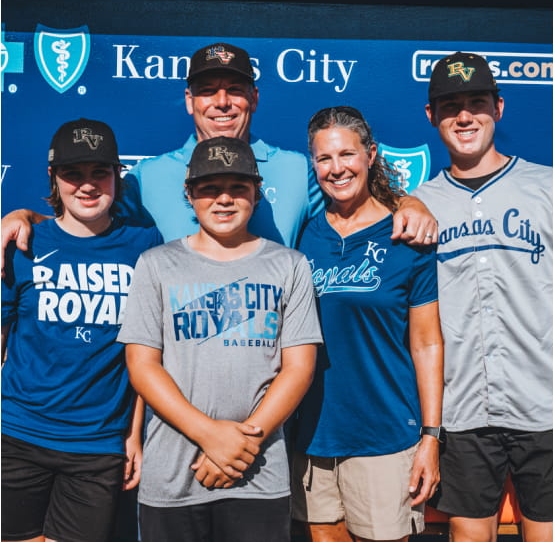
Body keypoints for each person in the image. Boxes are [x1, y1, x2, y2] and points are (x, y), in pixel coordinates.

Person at [1, 42, 438, 261]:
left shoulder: (291, 168)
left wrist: (410, 202)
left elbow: (357, 198)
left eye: (236, 90)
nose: (222, 102)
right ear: (190, 101)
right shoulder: (149, 176)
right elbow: (87, 213)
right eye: (208, 91)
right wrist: (29, 218)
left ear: (255, 98)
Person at [117, 136, 323, 542]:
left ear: (257, 194)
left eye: (237, 188)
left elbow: (299, 367)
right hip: (174, 475)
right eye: (210, 188)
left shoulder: (289, 265)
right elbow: (142, 365)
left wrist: (245, 442)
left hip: (259, 473)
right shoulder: (156, 265)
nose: (224, 200)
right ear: (189, 194)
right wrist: (210, 435)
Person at [1, 118, 163, 542]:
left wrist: (134, 434)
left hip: (98, 444)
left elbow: (147, 349)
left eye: (99, 173)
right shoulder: (22, 245)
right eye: (73, 174)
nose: (87, 186)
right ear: (53, 178)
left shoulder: (144, 244)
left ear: (117, 176)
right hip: (16, 434)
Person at [414, 51, 553, 542]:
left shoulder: (547, 186)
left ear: (499, 106)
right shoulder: (419, 204)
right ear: (431, 116)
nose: (465, 115)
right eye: (450, 105)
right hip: (464, 409)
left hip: (546, 404)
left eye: (476, 101)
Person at [292, 106, 444, 542]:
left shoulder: (407, 235)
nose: (336, 168)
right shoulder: (304, 234)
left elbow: (427, 343)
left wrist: (430, 438)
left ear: (371, 155)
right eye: (324, 158)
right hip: (311, 437)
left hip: (384, 436)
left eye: (347, 154)